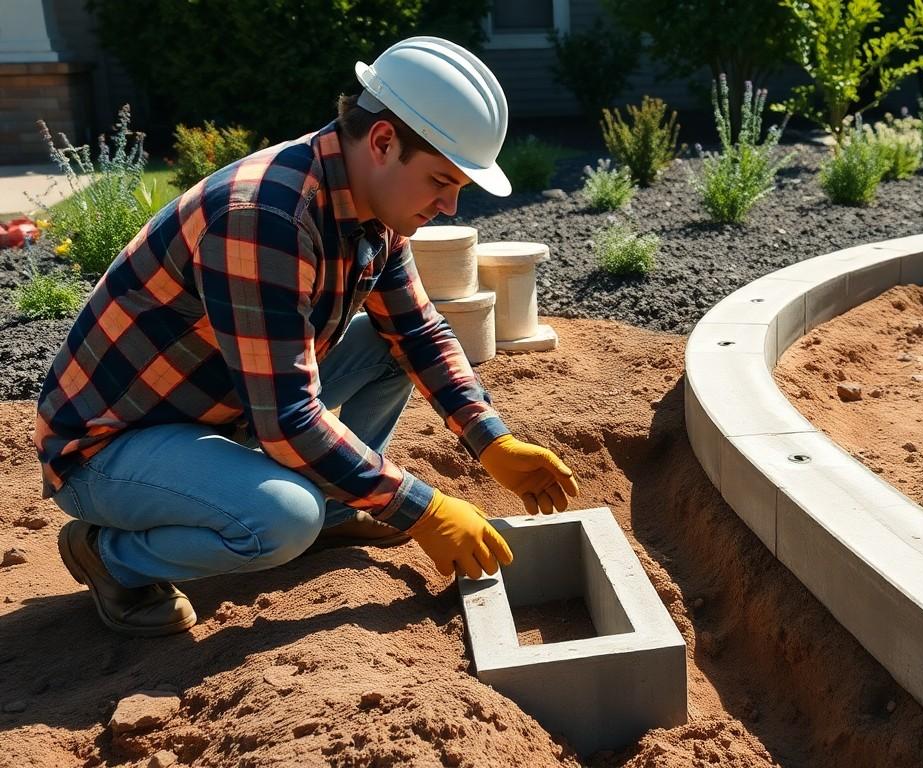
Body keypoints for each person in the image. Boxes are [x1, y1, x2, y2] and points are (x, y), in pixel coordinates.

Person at [33, 37, 578, 637]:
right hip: (109, 446)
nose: (448, 205)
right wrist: (421, 511)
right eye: (440, 181)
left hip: (221, 407)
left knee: (389, 349)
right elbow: (288, 420)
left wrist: (490, 438)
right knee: (284, 517)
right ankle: (110, 557)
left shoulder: (372, 209)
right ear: (382, 142)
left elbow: (419, 333)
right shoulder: (264, 218)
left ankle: (339, 507)